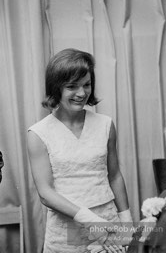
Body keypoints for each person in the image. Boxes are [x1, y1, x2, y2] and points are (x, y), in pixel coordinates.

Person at [27, 48, 133, 253]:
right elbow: (45, 193)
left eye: (87, 85)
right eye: (72, 86)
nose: (82, 93)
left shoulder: (105, 124)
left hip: (108, 225)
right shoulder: (38, 133)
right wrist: (91, 221)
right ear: (56, 88)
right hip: (65, 234)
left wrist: (126, 222)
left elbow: (115, 176)